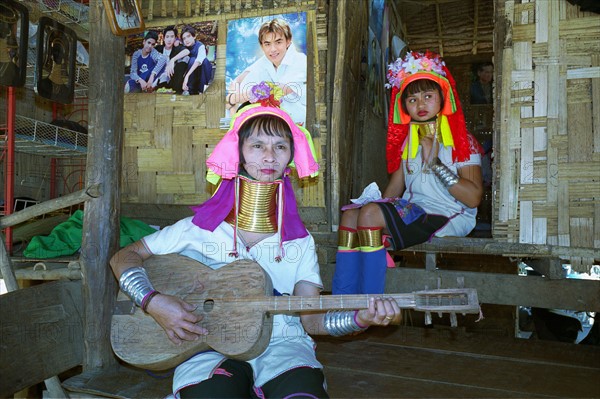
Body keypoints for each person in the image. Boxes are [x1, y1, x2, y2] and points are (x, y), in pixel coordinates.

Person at [109, 84, 402, 398]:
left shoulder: (298, 242)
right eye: (257, 145)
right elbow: (123, 257)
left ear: (290, 157)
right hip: (208, 343)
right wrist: (153, 302)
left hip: (281, 345)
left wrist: (360, 318)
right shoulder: (198, 229)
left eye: (280, 146)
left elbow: (312, 320)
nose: (269, 156)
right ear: (239, 154)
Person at [332, 51, 484, 295]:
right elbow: (394, 189)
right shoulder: (409, 143)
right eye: (412, 100)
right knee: (351, 216)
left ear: (442, 98)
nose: (420, 104)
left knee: (370, 216)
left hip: (449, 214)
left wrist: (435, 164)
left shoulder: (462, 142)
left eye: (428, 96)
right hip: (415, 211)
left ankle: (370, 302)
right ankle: (344, 299)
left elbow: (473, 198)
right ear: (404, 106)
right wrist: (370, 205)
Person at [226, 18, 307, 125]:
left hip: (297, 125)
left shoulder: (300, 60)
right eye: (267, 44)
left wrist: (233, 99)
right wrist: (233, 105)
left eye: (278, 42)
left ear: (288, 41)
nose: (273, 49)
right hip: (270, 126)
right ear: (262, 46)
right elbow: (237, 81)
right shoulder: (265, 61)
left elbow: (275, 91)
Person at [172, 25, 213, 95]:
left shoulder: (200, 46)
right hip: (190, 79)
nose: (186, 40)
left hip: (200, 75)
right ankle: (188, 89)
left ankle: (202, 90)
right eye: (184, 38)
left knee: (204, 61)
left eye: (188, 36)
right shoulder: (183, 48)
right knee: (191, 60)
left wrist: (187, 76)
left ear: (194, 36)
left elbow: (199, 60)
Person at [155, 25, 187, 94]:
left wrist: (172, 60)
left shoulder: (176, 49)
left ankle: (177, 92)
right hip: (158, 79)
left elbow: (187, 51)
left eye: (172, 37)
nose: (169, 39)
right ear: (163, 38)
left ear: (175, 38)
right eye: (167, 37)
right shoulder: (158, 49)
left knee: (184, 60)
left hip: (171, 78)